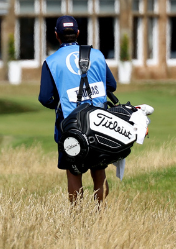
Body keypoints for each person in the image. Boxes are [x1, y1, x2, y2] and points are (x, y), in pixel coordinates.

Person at [38, 16, 117, 203]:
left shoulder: (51, 62)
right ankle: (102, 216)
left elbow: (44, 97)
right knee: (99, 172)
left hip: (70, 124)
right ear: (78, 33)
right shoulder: (96, 54)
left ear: (57, 35)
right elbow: (111, 86)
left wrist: (60, 103)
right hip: (99, 122)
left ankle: (78, 221)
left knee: (74, 172)